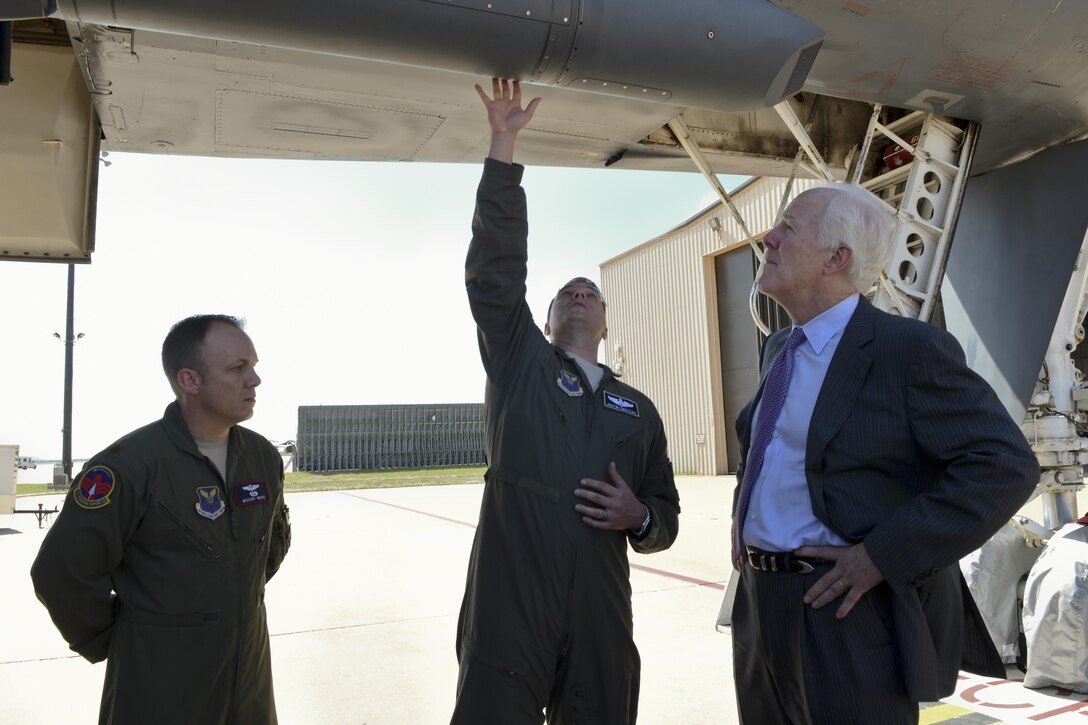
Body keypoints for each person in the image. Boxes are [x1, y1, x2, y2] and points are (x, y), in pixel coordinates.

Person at [728, 183, 1040, 724]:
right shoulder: (781, 348)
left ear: (837, 258)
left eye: (787, 229)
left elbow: (1004, 466)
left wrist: (881, 556)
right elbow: (766, 448)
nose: (768, 238)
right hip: (760, 608)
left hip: (843, 613)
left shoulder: (906, 349)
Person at [451, 78, 681, 725]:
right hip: (512, 603)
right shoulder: (521, 363)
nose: (580, 295)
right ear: (546, 321)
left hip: (601, 616)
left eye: (592, 294)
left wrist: (640, 516)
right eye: (566, 295)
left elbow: (665, 517)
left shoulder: (639, 410)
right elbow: (495, 277)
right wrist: (503, 149)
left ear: (606, 325)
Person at [31, 314, 291, 725]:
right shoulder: (129, 467)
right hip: (160, 691)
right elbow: (62, 573)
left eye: (253, 366)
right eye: (238, 368)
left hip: (250, 686)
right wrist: (131, 638)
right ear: (190, 380)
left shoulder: (262, 458)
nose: (254, 380)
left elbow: (269, 548)